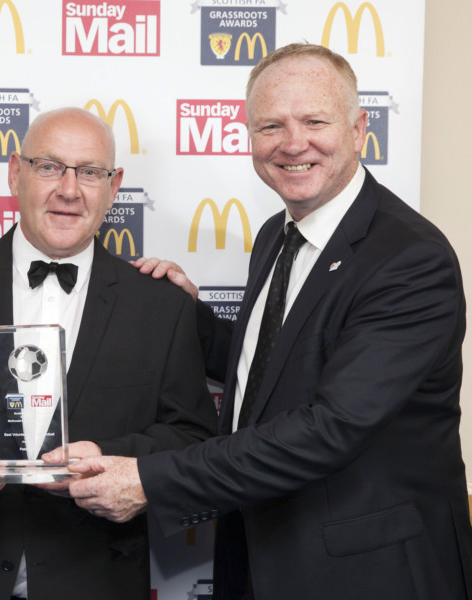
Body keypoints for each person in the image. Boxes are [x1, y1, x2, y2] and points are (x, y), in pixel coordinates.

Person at [67, 43, 472, 600]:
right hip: (259, 555)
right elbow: (281, 366)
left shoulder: (409, 258)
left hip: (366, 573)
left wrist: (150, 478)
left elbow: (330, 426)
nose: (292, 143)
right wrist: (190, 319)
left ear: (358, 130)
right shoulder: (276, 236)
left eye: (314, 121)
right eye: (271, 126)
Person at [0, 107, 217, 600]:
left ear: (114, 186)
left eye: (90, 172)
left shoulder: (161, 304)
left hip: (98, 580)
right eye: (49, 167)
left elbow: (192, 435)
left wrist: (113, 461)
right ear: (16, 173)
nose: (69, 190)